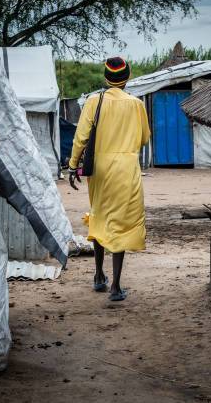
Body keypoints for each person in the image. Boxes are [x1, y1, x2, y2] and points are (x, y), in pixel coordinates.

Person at [68, 57, 151, 301]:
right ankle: (115, 286)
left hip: (100, 170)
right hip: (127, 169)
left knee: (100, 216)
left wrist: (73, 166)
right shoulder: (137, 105)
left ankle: (98, 276)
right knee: (122, 223)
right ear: (128, 77)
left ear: (106, 77)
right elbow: (145, 138)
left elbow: (81, 137)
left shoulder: (94, 101)